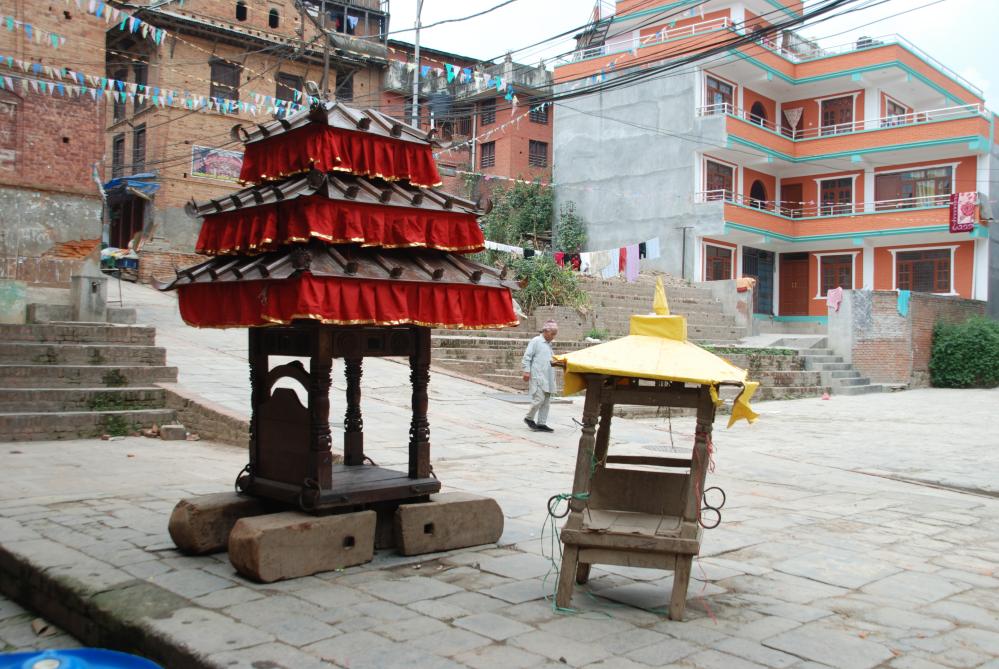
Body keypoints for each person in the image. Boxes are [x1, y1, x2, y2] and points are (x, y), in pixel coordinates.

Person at [521, 320, 557, 432]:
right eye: (552, 334)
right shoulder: (536, 341)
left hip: (548, 377)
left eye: (554, 334)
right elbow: (527, 357)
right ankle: (529, 418)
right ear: (545, 331)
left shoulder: (549, 344)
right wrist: (526, 371)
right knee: (539, 399)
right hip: (538, 376)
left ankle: (542, 423)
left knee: (546, 401)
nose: (553, 337)